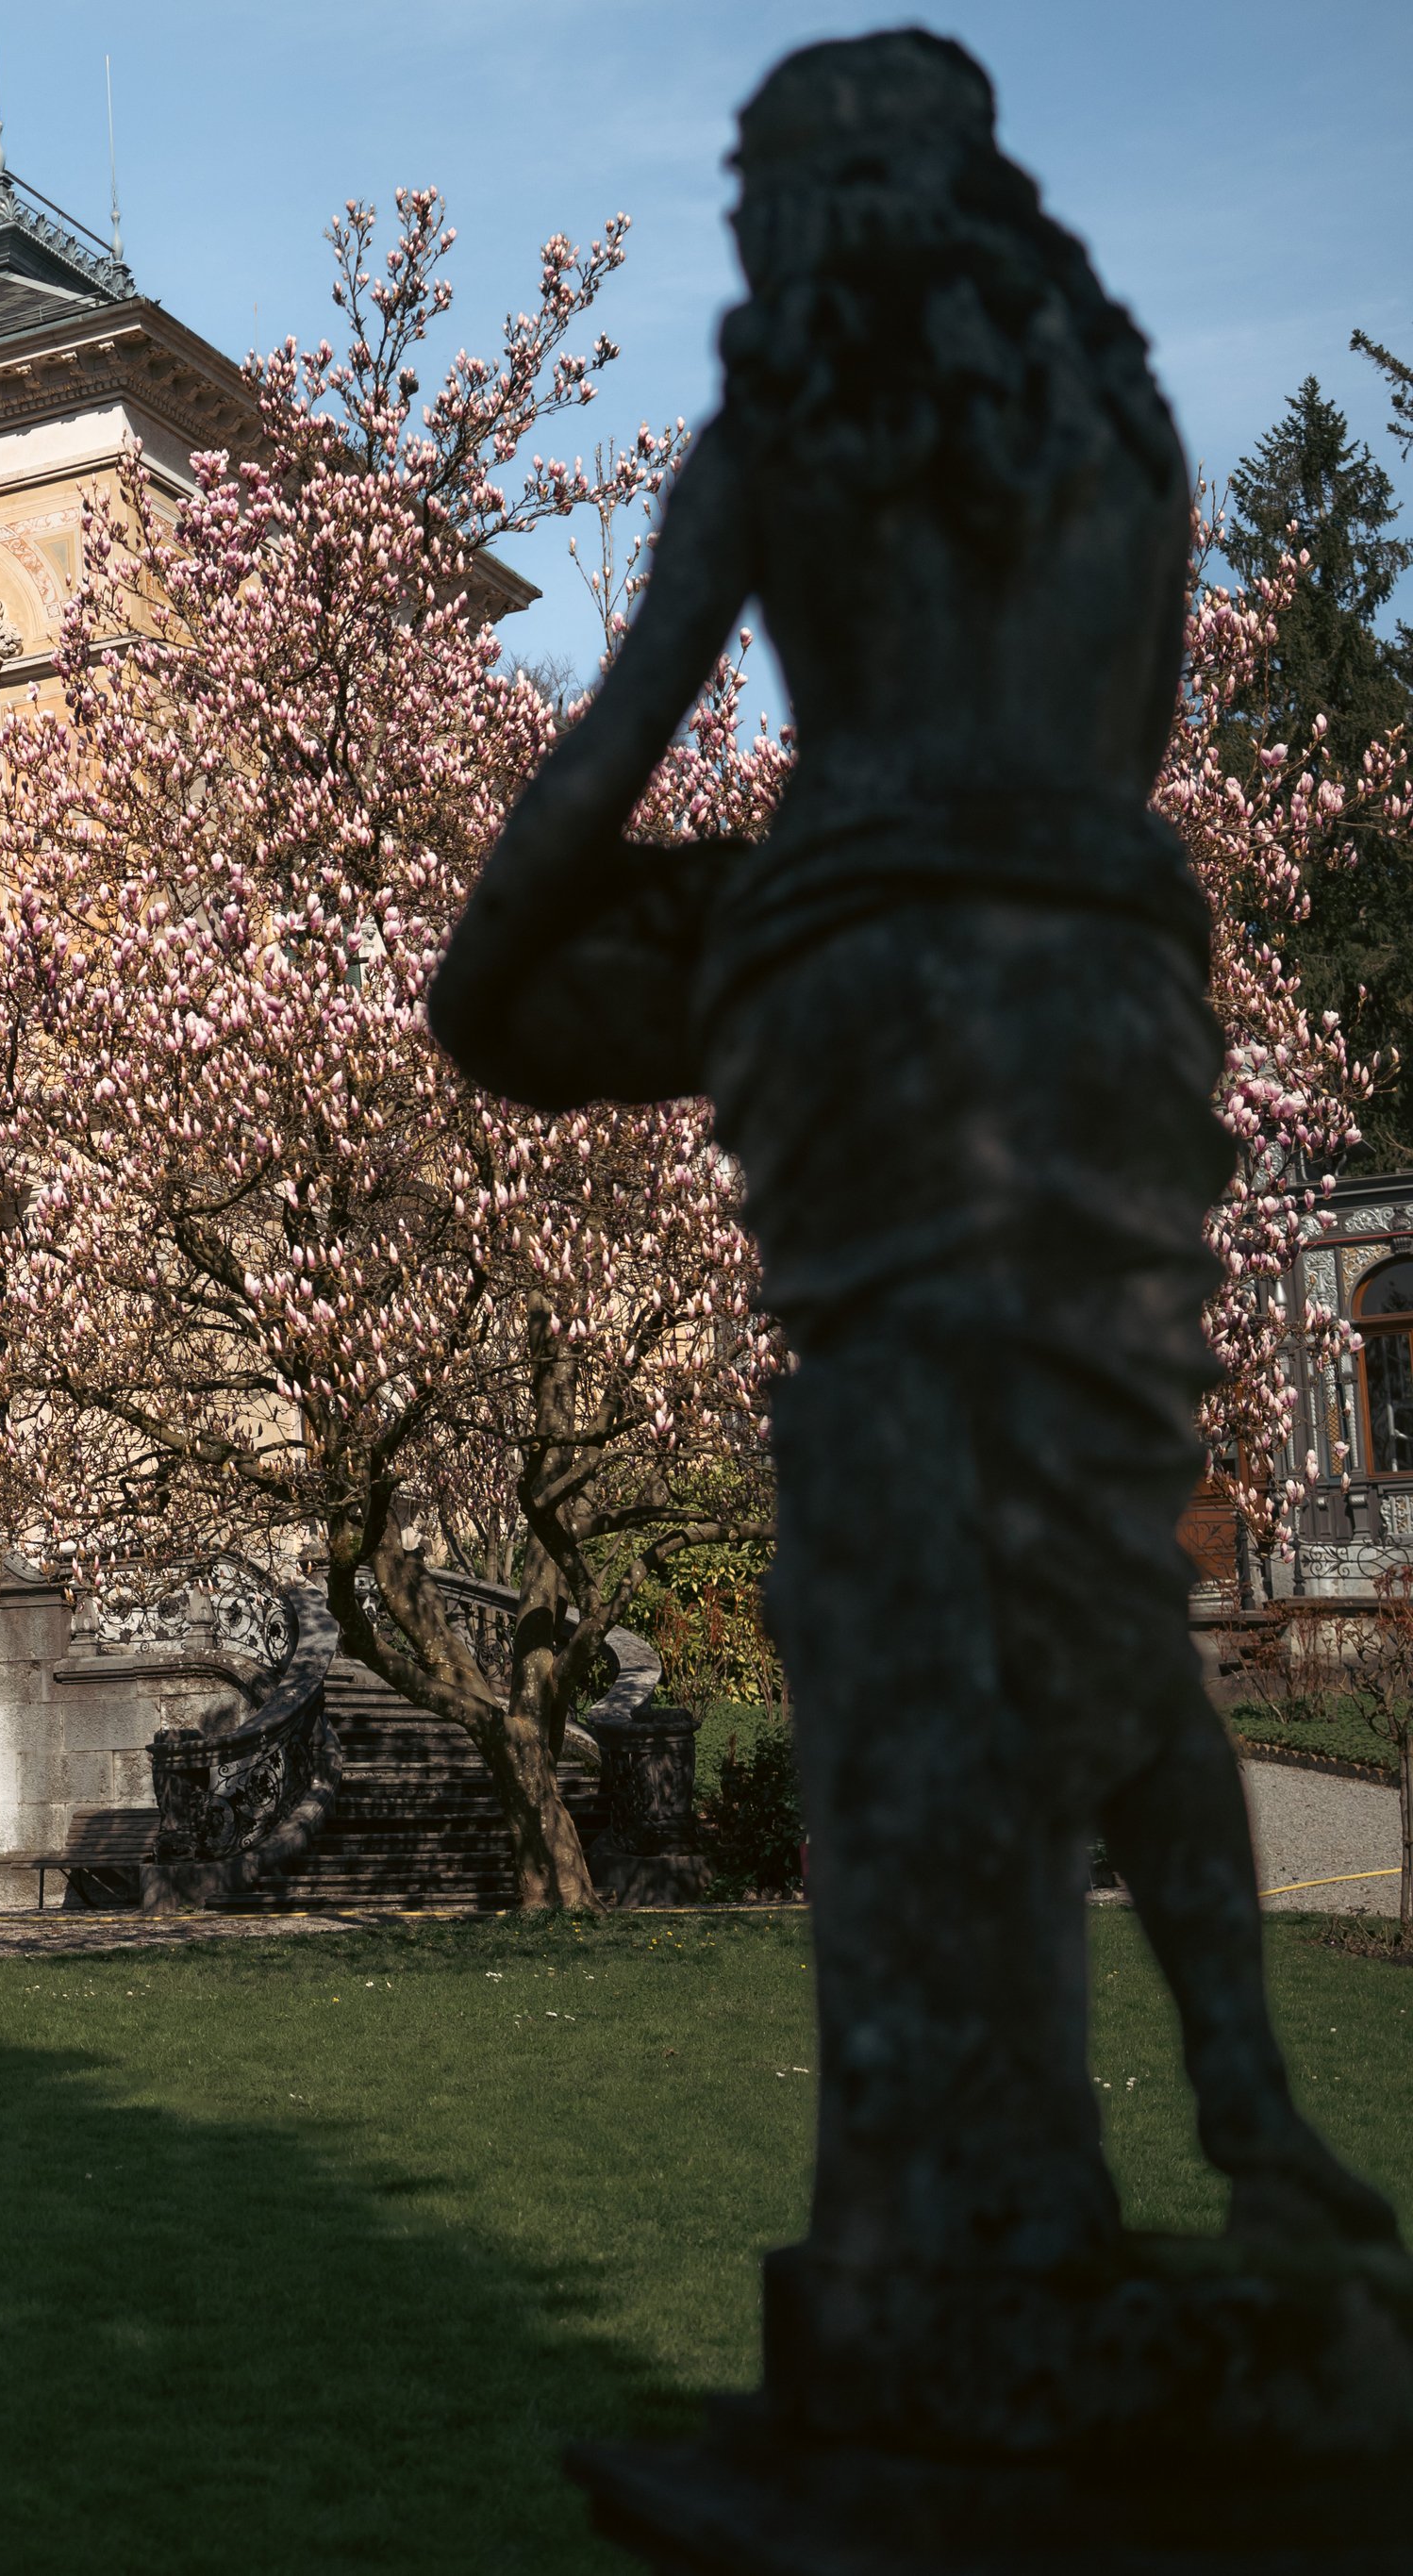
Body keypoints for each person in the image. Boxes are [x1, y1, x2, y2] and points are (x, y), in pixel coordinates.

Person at [431, 28, 1391, 2425]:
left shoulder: (790, 431)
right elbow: (1123, 756)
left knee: (882, 1548)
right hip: (1102, 990)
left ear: (801, 219)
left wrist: (545, 948)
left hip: (860, 998)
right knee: (1087, 1548)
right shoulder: (1119, 417)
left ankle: (947, 2203)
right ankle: (1243, 2101)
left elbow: (610, 749)